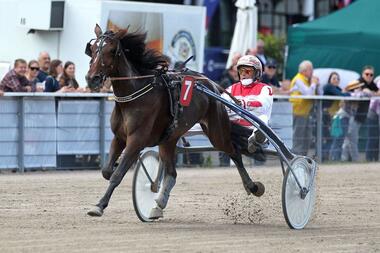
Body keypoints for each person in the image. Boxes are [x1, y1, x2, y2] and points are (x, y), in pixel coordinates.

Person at [221, 55, 273, 153]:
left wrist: (245, 103)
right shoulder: (231, 88)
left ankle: (256, 139)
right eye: (241, 71)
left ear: (257, 73)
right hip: (233, 128)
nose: (243, 74)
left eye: (248, 71)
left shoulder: (265, 88)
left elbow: (263, 104)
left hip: (252, 126)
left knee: (263, 118)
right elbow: (221, 103)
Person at [342, 66, 379, 161]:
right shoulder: (358, 82)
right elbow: (344, 91)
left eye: (371, 75)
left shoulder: (370, 84)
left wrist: (372, 92)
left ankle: (344, 158)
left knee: (350, 138)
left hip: (359, 116)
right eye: (367, 74)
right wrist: (371, 93)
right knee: (352, 138)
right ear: (363, 74)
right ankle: (355, 160)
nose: (369, 76)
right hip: (350, 114)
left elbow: (376, 92)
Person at [289, 60, 319, 156]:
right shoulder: (298, 79)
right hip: (298, 112)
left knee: (307, 137)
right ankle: (296, 158)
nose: (312, 71)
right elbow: (308, 94)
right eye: (311, 69)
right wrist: (314, 84)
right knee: (299, 137)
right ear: (304, 70)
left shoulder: (306, 80)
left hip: (306, 113)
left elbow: (318, 93)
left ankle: (303, 158)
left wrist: (315, 84)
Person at [322, 72, 351, 161]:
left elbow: (346, 94)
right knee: (328, 138)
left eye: (338, 79)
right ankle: (324, 157)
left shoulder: (337, 88)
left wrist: (346, 93)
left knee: (332, 138)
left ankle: (329, 158)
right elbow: (342, 95)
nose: (336, 80)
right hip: (324, 117)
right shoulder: (328, 86)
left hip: (332, 118)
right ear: (329, 79)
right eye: (334, 78)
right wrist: (346, 93)